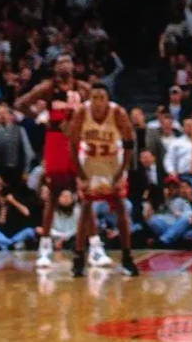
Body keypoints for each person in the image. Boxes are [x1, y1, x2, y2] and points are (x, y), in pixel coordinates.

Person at [14, 52, 87, 271]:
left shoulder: (82, 88)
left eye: (68, 60)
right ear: (54, 68)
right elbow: (20, 103)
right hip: (55, 140)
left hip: (76, 141)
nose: (65, 65)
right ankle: (44, 248)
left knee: (84, 194)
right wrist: (39, 116)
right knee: (54, 194)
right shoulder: (47, 88)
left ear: (74, 66)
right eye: (60, 62)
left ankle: (90, 246)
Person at [66, 81, 140, 276]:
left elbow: (130, 143)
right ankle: (79, 257)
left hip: (112, 162)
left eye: (102, 98)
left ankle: (127, 257)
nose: (98, 102)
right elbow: (72, 144)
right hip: (89, 161)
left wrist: (122, 171)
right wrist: (80, 174)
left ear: (108, 99)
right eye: (94, 98)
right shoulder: (82, 112)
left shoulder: (118, 113)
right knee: (85, 207)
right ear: (90, 99)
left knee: (120, 207)